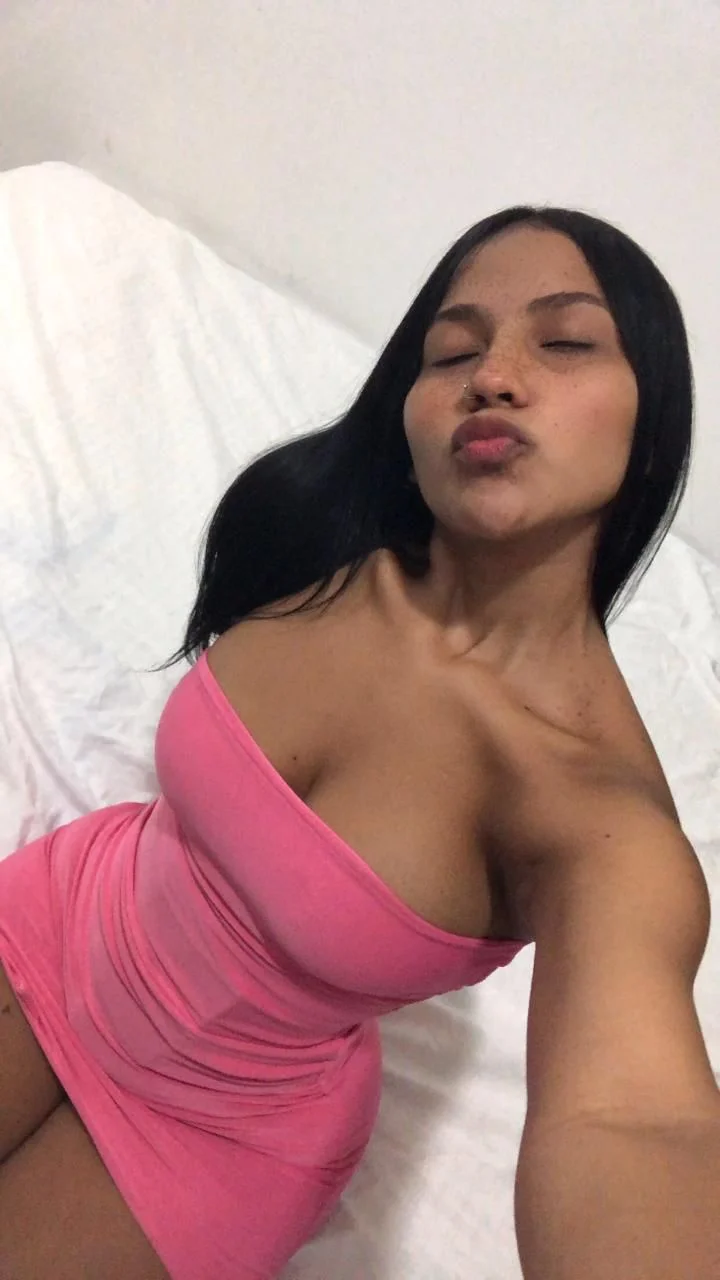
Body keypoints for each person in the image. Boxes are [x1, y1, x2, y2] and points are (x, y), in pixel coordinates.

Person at [0, 204, 718, 1280]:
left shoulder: (594, 819)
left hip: (218, 1136)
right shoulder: (313, 539)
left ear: (651, 416)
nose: (494, 376)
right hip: (62, 920)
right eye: (453, 351)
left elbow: (635, 1123)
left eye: (565, 341)